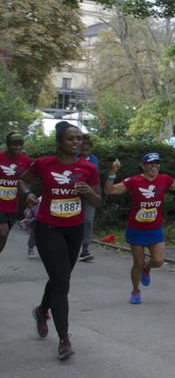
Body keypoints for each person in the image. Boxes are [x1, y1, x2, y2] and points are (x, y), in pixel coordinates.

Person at [20, 121, 101, 360]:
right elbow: (23, 180)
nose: (76, 143)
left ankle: (42, 310)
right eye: (70, 139)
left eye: (79, 139)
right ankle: (64, 339)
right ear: (59, 142)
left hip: (74, 230)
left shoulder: (88, 167)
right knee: (62, 282)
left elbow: (97, 202)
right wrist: (28, 194)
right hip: (49, 228)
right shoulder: (44, 163)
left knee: (60, 278)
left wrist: (90, 193)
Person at [104, 152, 175, 304]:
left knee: (159, 261)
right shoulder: (134, 181)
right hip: (136, 229)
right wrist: (113, 173)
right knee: (137, 263)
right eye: (151, 163)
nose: (155, 166)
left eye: (157, 163)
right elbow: (110, 190)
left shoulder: (164, 179)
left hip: (155, 228)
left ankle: (147, 269)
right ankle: (135, 290)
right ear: (143, 165)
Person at [0, 131, 33, 256]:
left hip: (14, 205)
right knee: (3, 232)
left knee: (4, 237)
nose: (17, 148)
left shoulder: (26, 160)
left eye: (20, 145)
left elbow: (35, 173)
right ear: (8, 145)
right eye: (14, 145)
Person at [78, 134, 100, 262]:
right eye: (83, 150)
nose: (85, 152)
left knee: (88, 221)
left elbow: (95, 177)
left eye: (87, 150)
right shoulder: (73, 159)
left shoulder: (94, 159)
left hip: (90, 193)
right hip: (75, 194)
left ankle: (85, 249)